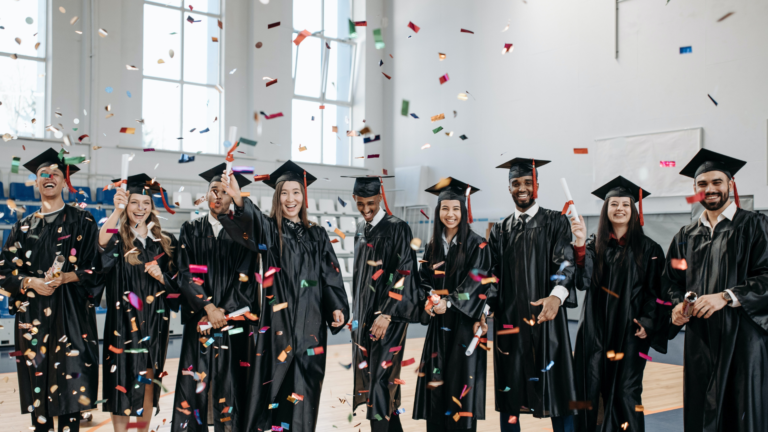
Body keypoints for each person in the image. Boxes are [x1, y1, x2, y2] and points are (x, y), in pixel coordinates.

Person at [218, 160, 349, 432]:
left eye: (296, 192)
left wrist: (336, 307)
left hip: (312, 328)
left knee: (306, 394)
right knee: (277, 392)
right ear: (277, 198)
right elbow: (250, 223)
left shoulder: (318, 235)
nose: (291, 199)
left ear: (304, 196)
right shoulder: (270, 230)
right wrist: (239, 199)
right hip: (279, 327)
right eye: (285, 193)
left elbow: (330, 276)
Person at [664, 149, 768, 432]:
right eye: (702, 184)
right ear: (695, 189)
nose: (709, 189)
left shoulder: (755, 226)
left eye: (717, 182)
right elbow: (671, 281)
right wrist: (677, 305)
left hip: (743, 341)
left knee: (740, 412)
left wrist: (726, 296)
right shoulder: (685, 237)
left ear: (730, 184)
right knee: (701, 411)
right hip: (700, 342)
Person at [0, 148, 103, 432]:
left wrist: (66, 277)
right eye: (43, 174)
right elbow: (4, 271)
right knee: (38, 384)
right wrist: (29, 282)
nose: (49, 177)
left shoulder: (83, 221)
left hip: (71, 315)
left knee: (71, 386)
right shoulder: (22, 226)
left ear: (64, 182)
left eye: (56, 174)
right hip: (33, 317)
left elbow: (97, 268)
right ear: (35, 182)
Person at [569, 176, 668, 432]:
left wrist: (648, 321)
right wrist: (579, 244)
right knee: (590, 391)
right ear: (606, 209)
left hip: (631, 332)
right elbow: (583, 281)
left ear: (634, 210)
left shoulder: (650, 249)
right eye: (614, 204)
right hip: (595, 332)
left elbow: (657, 292)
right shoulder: (594, 245)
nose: (620, 209)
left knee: (626, 391)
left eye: (626, 204)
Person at [487, 157, 577, 432]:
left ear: (537, 185)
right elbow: (491, 276)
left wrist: (556, 295)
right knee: (510, 394)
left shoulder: (555, 221)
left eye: (528, 182)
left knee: (557, 390)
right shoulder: (500, 230)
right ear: (509, 188)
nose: (522, 188)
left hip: (546, 322)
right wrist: (483, 309)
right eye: (516, 183)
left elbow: (565, 261)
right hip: (510, 324)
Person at [171, 163, 259, 432]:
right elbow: (185, 273)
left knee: (230, 387)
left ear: (233, 195)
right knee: (192, 387)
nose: (218, 195)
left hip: (232, 323)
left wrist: (225, 311)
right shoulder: (191, 229)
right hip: (200, 320)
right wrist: (208, 307)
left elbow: (246, 276)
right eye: (213, 190)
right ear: (206, 194)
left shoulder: (244, 235)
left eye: (224, 191)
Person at [96, 174, 180, 432]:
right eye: (134, 202)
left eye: (146, 203)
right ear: (127, 204)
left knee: (148, 377)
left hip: (155, 322)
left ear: (152, 207)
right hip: (122, 322)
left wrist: (163, 277)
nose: (141, 208)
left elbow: (179, 288)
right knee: (119, 377)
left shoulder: (165, 243)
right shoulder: (117, 239)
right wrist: (116, 210)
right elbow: (100, 246)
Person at [412, 177, 494, 432]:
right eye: (445, 208)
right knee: (436, 387)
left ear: (463, 211)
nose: (450, 214)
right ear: (438, 212)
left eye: (456, 208)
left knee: (461, 390)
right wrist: (432, 299)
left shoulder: (477, 244)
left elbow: (477, 283)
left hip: (464, 326)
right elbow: (423, 280)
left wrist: (448, 302)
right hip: (438, 328)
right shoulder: (432, 246)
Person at [340, 175, 421, 432]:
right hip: (364, 320)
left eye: (371, 203)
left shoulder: (398, 227)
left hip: (390, 319)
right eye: (360, 203)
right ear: (354, 199)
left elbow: (405, 272)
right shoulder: (360, 230)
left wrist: (386, 314)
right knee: (376, 382)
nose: (366, 209)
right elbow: (361, 281)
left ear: (380, 197)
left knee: (380, 384)